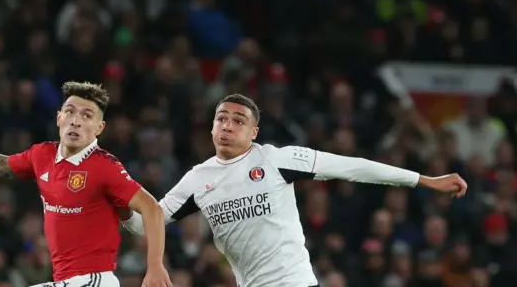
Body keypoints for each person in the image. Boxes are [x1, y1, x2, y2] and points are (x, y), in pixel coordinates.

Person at [121, 94, 468, 287]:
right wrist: (111, 194)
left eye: (238, 120)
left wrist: (422, 179)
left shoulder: (277, 159)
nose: (228, 125)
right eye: (221, 118)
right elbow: (143, 222)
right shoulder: (198, 179)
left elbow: (352, 166)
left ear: (254, 132)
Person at [0, 82, 173, 287]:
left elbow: (152, 209)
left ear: (99, 128)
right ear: (59, 118)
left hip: (94, 280)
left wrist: (154, 266)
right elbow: (0, 165)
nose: (76, 120)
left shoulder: (105, 166)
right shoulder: (42, 155)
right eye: (70, 112)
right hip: (66, 281)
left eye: (87, 115)